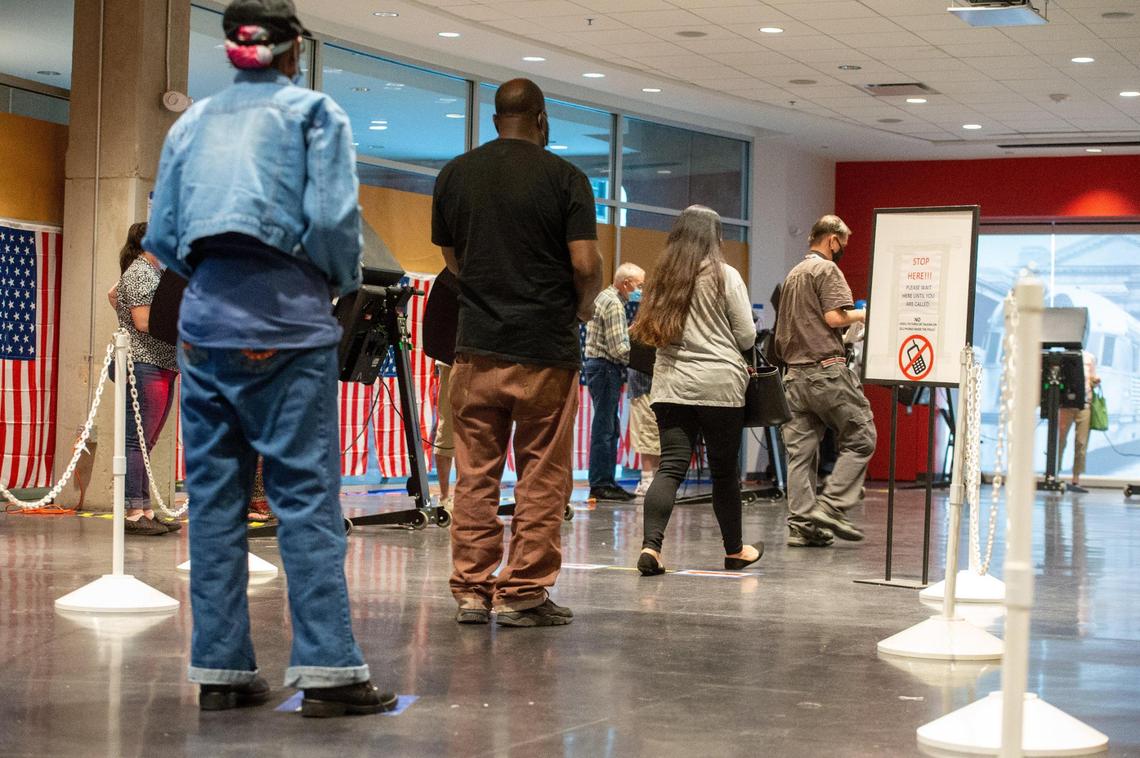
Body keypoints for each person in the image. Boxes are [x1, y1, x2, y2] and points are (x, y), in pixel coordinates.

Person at [144, 0, 392, 717]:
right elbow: (334, 224)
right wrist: (336, 285)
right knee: (304, 500)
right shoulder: (316, 115)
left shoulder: (190, 123)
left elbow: (163, 233)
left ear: (232, 53)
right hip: (289, 329)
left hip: (205, 329)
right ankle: (329, 674)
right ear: (292, 52)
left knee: (215, 503)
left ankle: (221, 672)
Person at [432, 77, 602, 627]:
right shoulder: (566, 178)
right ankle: (524, 592)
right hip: (544, 353)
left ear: (495, 119)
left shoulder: (455, 174)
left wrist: (487, 292)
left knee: (474, 473)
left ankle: (471, 590)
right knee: (541, 475)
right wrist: (579, 308)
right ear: (542, 117)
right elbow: (584, 264)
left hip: (476, 350)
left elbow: (452, 258)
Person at [629, 206, 764, 576]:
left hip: (671, 386)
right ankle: (734, 551)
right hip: (720, 387)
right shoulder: (726, 276)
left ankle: (651, 548)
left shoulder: (662, 278)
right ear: (713, 237)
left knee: (670, 467)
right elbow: (746, 335)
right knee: (723, 472)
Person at [775, 214, 875, 547]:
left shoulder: (793, 274)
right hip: (826, 373)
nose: (844, 248)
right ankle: (832, 507)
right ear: (832, 239)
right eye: (843, 242)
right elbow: (835, 316)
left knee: (800, 454)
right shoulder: (827, 269)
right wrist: (865, 313)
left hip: (794, 377)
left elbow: (810, 326)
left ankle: (803, 525)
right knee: (861, 436)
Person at [109, 222, 181, 537]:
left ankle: (145, 509)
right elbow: (142, 321)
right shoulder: (139, 272)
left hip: (162, 362)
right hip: (144, 362)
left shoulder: (153, 273)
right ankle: (133, 510)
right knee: (136, 441)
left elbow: (112, 294)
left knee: (146, 441)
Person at [584, 263, 644, 501]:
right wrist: (643, 358)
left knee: (609, 426)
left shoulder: (606, 298)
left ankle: (606, 480)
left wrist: (628, 333)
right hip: (605, 368)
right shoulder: (613, 304)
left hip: (601, 368)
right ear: (626, 283)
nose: (641, 290)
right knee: (605, 428)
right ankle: (601, 483)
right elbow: (618, 349)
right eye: (639, 285)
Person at [1059, 349, 1100, 493]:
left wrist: (1095, 381)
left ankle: (1076, 479)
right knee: (1060, 440)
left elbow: (1093, 378)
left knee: (1081, 443)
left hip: (1084, 403)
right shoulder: (1062, 356)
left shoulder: (1090, 357)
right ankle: (1054, 475)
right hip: (1065, 404)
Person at [627, 367, 660, 497]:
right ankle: (647, 480)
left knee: (655, 431)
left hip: (656, 382)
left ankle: (656, 480)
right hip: (644, 382)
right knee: (646, 430)